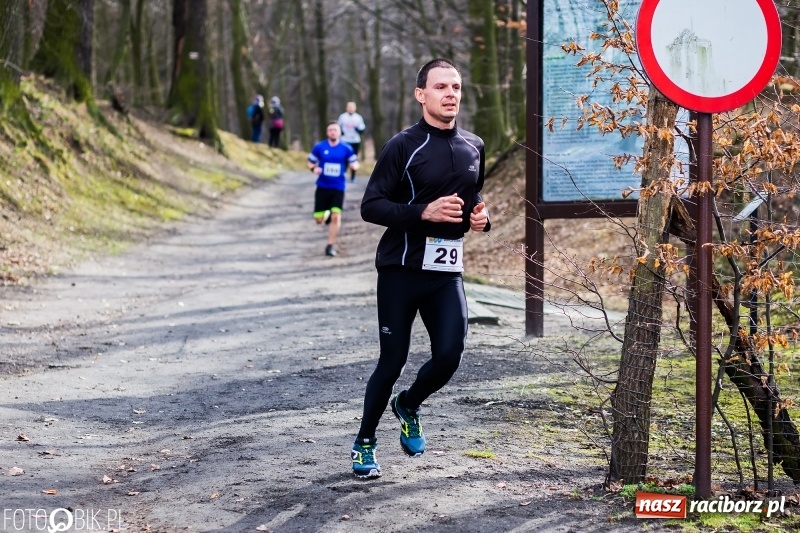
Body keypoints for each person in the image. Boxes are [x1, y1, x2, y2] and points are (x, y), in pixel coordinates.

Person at [350, 58, 490, 479]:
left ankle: (408, 404)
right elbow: (371, 205)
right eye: (441, 87)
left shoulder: (473, 146)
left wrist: (481, 218)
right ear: (421, 94)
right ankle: (365, 442)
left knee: (450, 354)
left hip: (445, 271)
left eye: (456, 87)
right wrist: (422, 212)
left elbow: (471, 196)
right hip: (401, 268)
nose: (451, 94)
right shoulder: (403, 146)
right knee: (392, 361)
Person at [307, 121, 359, 257]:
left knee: (336, 216)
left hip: (338, 188)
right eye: (330, 130)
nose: (332, 132)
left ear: (340, 132)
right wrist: (314, 168)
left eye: (335, 130)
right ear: (327, 132)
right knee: (319, 220)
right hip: (322, 187)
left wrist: (354, 166)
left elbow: (354, 161)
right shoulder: (319, 147)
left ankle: (330, 246)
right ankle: (325, 215)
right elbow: (310, 162)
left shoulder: (346, 148)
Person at [337, 101, 367, 182]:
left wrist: (358, 129)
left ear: (355, 108)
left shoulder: (358, 117)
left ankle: (353, 176)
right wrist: (341, 132)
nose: (350, 108)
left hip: (355, 141)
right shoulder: (342, 117)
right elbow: (338, 127)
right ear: (346, 107)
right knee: (343, 158)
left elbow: (362, 130)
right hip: (344, 140)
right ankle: (342, 175)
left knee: (354, 159)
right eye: (349, 106)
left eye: (352, 107)